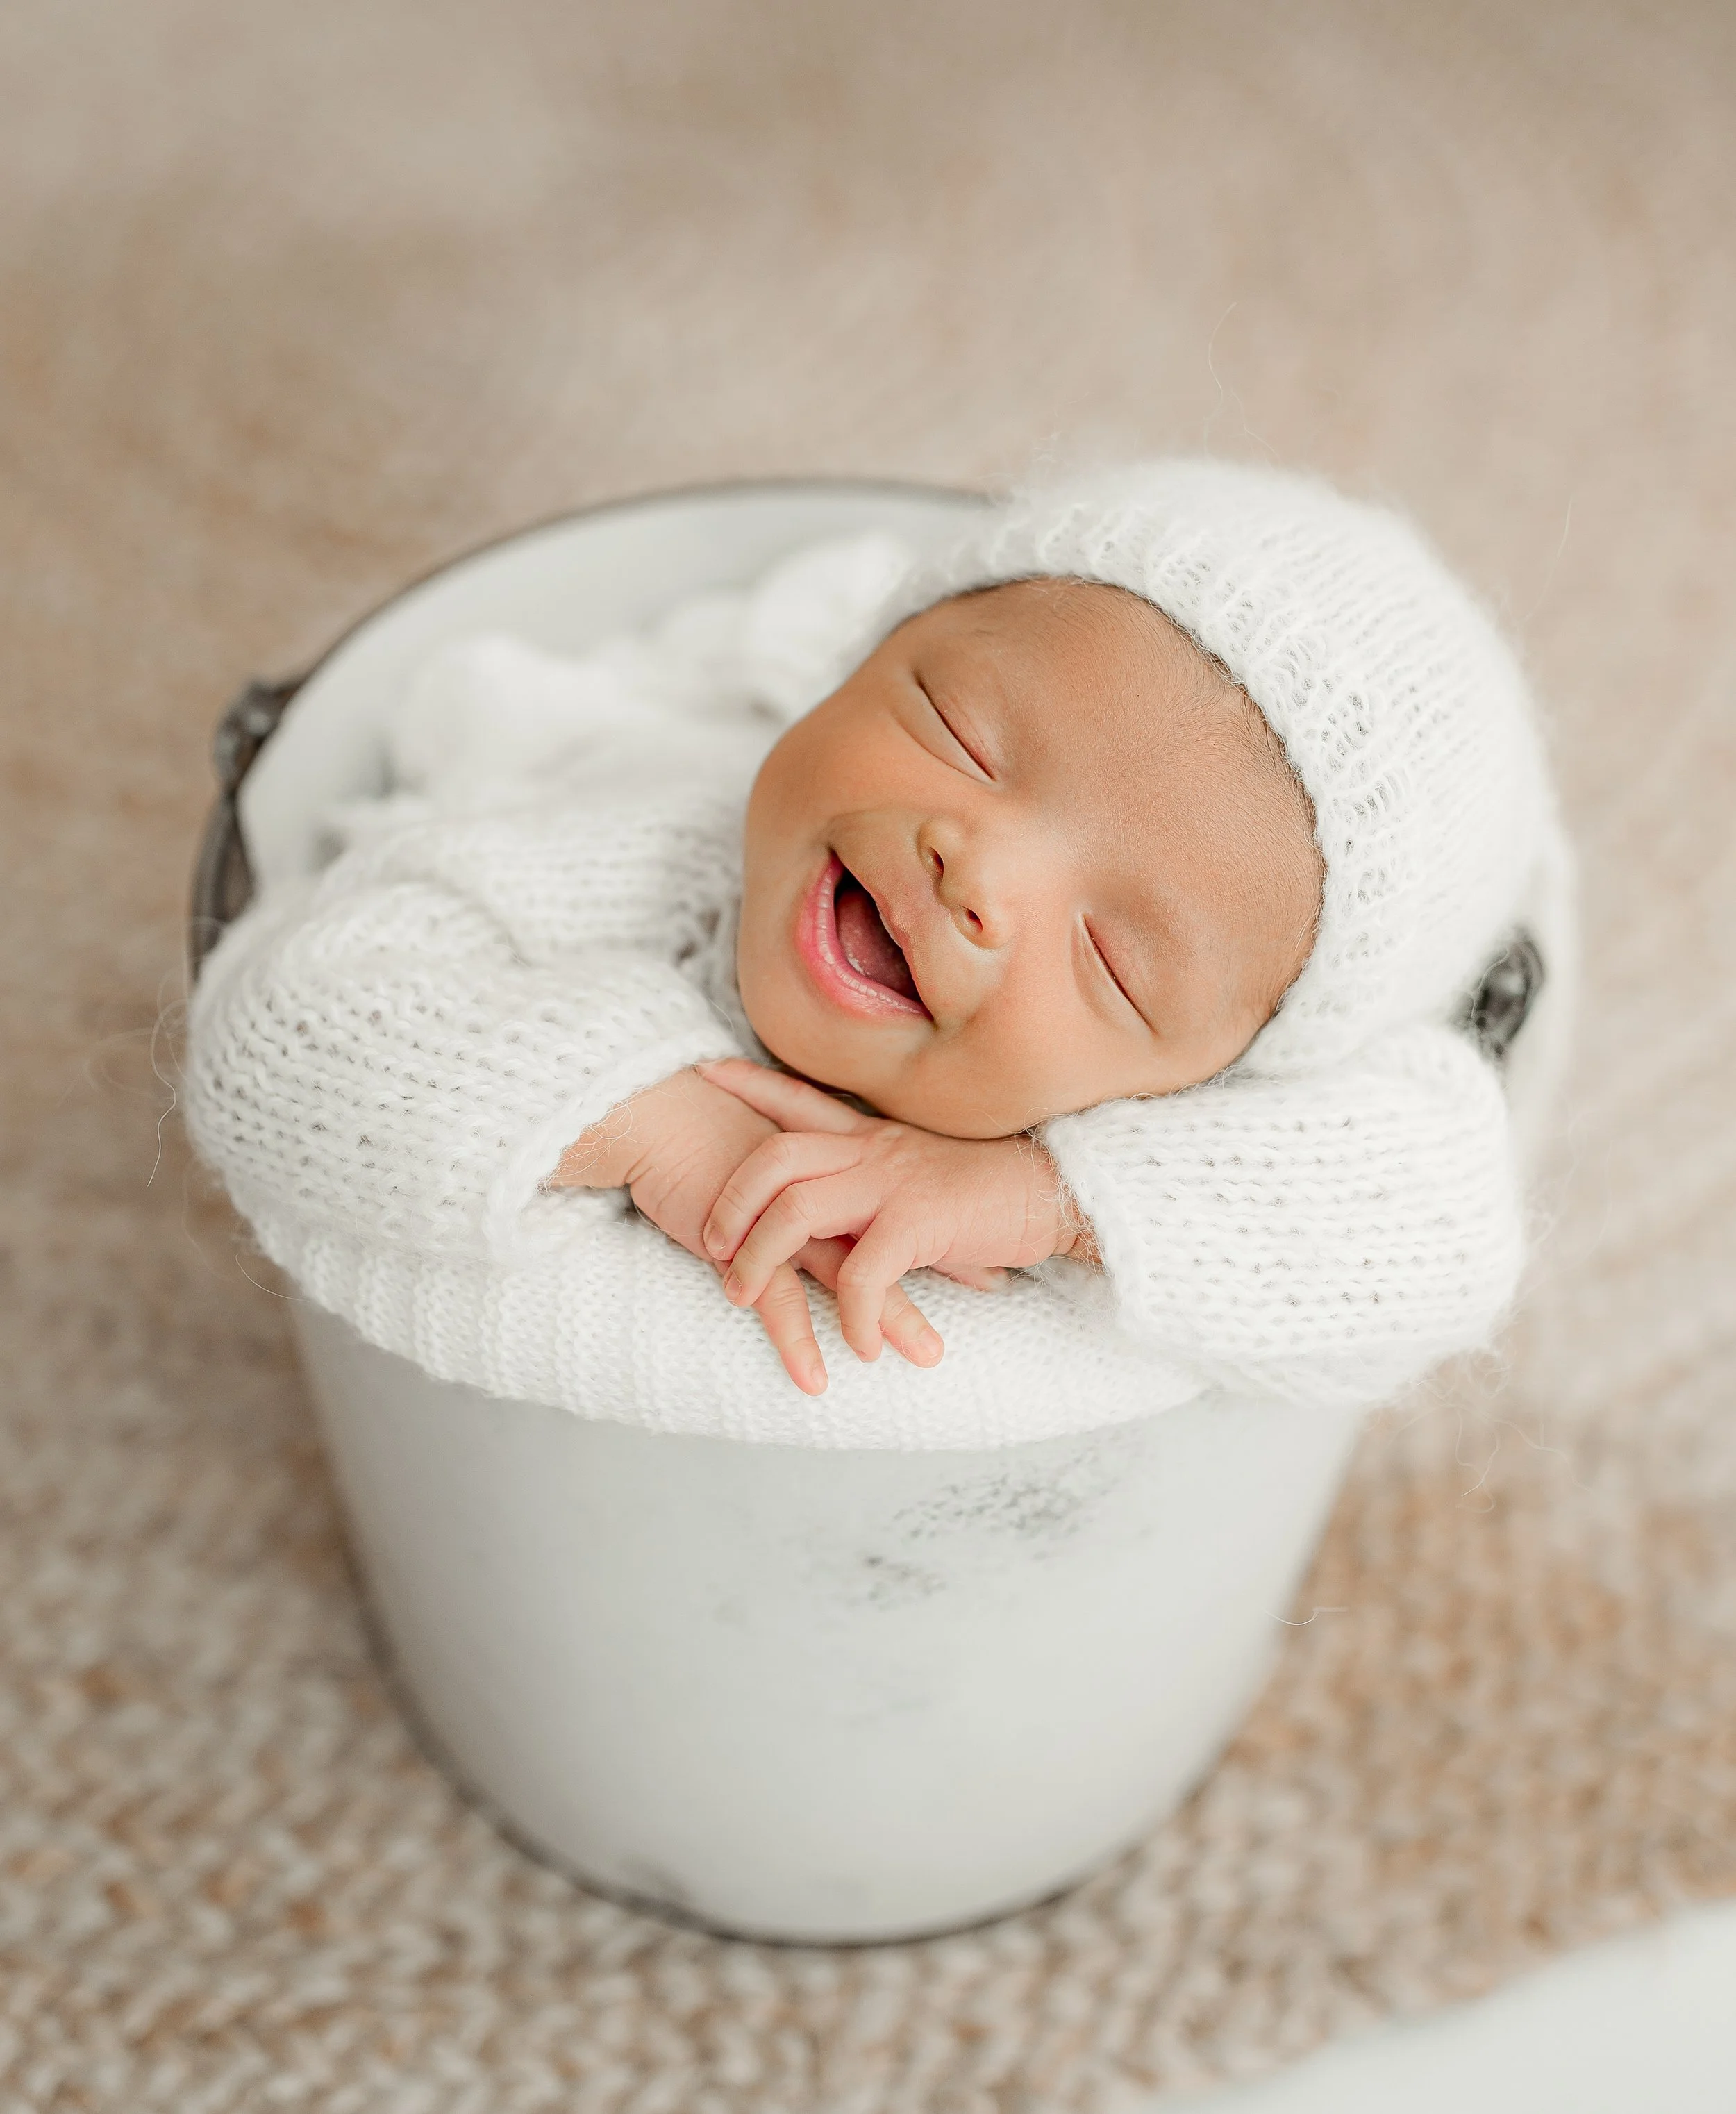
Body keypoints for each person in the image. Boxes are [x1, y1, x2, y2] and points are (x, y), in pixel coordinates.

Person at [185, 460, 1570, 1413]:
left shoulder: (1178, 1131)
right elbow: (288, 1024)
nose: (977, 871)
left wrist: (1052, 1197)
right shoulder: (657, 859)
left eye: (1111, 958)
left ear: (1218, 1071)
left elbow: (1439, 1227)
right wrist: (652, 1120)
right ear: (860, 658)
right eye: (960, 734)